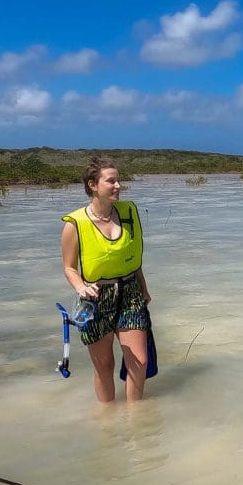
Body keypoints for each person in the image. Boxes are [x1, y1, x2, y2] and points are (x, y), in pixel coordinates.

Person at [61, 157, 152, 402]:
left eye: (118, 180)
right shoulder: (75, 224)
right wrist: (80, 286)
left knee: (140, 360)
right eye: (111, 181)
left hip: (130, 291)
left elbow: (133, 258)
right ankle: (107, 422)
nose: (118, 185)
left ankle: (136, 420)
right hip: (95, 297)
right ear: (93, 184)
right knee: (104, 366)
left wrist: (144, 288)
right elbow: (69, 268)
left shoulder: (129, 212)